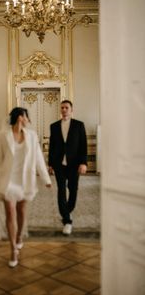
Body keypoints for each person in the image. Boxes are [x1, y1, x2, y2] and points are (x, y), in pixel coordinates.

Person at [0, 107, 51, 268]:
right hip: (8, 181)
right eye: (26, 117)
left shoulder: (32, 136)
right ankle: (13, 248)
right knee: (10, 212)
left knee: (21, 211)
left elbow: (39, 158)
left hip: (25, 181)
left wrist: (46, 178)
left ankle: (19, 236)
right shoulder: (3, 136)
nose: (28, 120)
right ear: (21, 117)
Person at [48, 100, 87, 235]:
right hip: (59, 164)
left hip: (74, 164)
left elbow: (83, 145)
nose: (64, 110)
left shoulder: (79, 125)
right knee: (61, 190)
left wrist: (84, 163)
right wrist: (50, 164)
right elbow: (52, 147)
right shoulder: (53, 126)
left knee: (73, 189)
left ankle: (67, 211)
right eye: (62, 108)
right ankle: (67, 220)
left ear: (71, 110)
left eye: (66, 107)